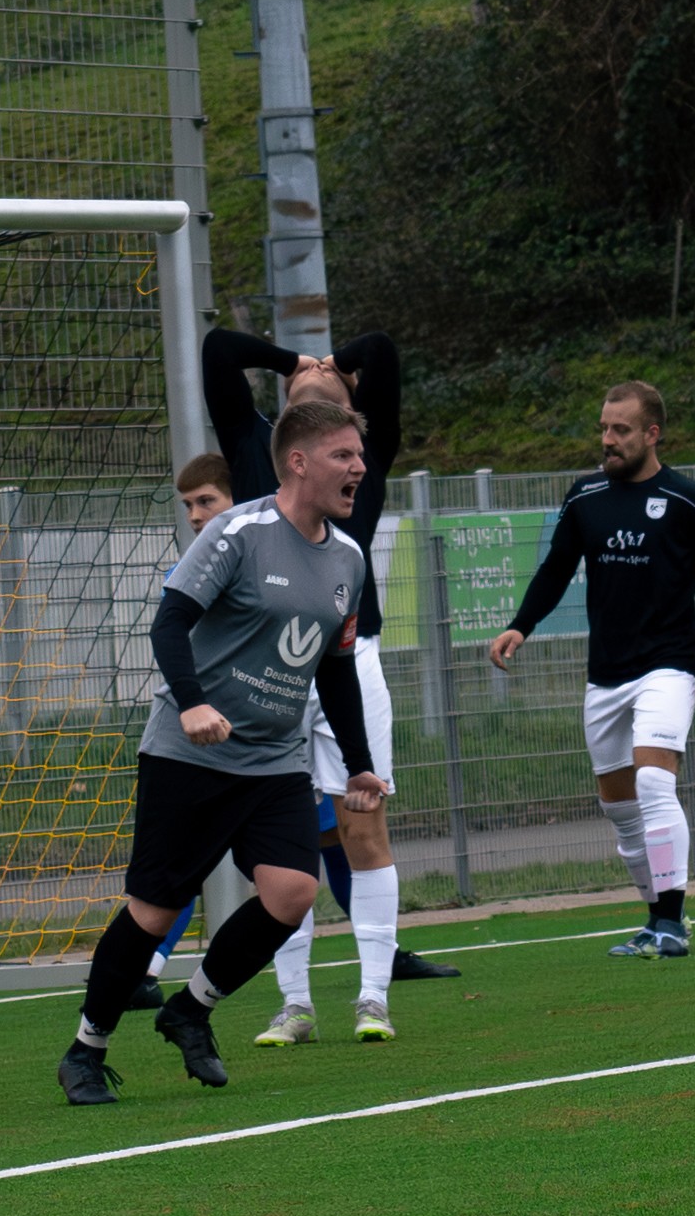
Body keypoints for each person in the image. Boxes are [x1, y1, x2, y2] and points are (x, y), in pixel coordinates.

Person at [57, 401, 389, 1106]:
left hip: (274, 760)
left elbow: (335, 669)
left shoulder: (349, 557)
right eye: (344, 455)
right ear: (298, 462)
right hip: (190, 756)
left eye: (359, 455)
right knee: (154, 912)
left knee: (293, 892)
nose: (359, 467)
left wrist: (358, 761)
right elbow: (169, 624)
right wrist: (192, 703)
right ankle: (87, 1049)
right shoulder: (237, 532)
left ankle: (191, 1010)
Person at [202, 327, 458, 1049]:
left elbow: (383, 349)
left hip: (348, 660)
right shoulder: (258, 446)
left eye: (333, 384)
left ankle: (374, 998)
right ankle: (294, 1005)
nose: (314, 375)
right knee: (281, 847)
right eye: (299, 383)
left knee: (362, 823)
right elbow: (219, 349)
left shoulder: (357, 459)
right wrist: (294, 363)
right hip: (263, 670)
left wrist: (335, 367)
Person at [489, 381, 695, 959]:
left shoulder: (687, 498)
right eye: (604, 428)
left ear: (652, 434)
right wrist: (520, 625)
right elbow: (557, 567)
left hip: (668, 666)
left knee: (654, 782)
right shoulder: (585, 496)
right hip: (605, 672)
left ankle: (670, 922)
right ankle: (657, 918)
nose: (608, 439)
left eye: (621, 430)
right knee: (620, 809)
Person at [126, 451, 234, 1010]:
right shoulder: (196, 568)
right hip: (207, 736)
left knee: (315, 850)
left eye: (206, 501)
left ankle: (375, 957)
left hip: (276, 726)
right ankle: (139, 971)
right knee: (186, 860)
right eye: (188, 504)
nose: (194, 515)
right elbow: (169, 634)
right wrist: (193, 704)